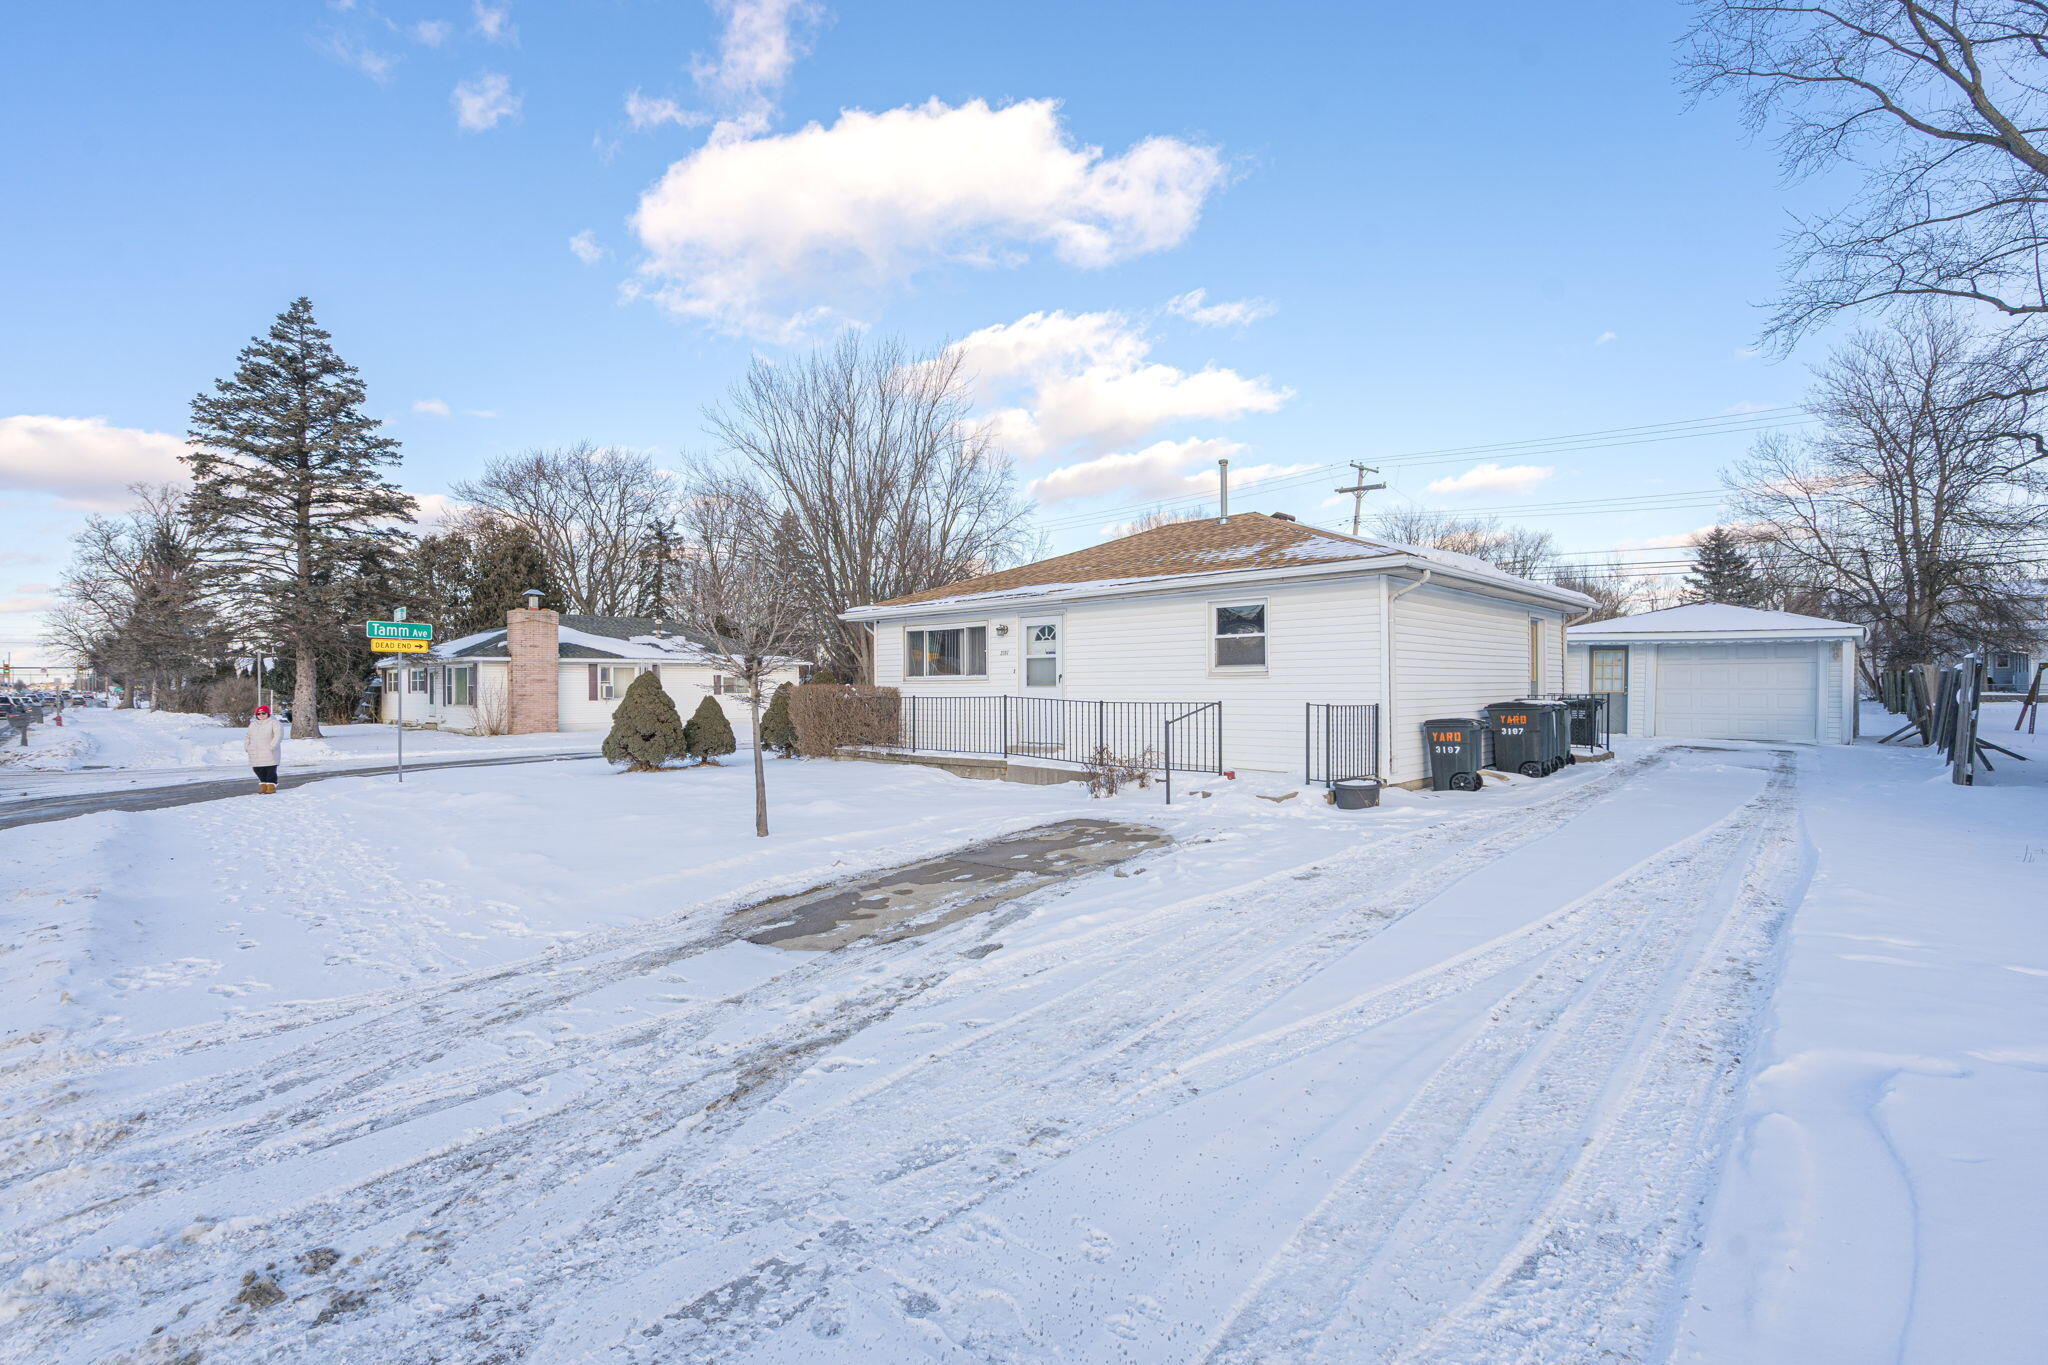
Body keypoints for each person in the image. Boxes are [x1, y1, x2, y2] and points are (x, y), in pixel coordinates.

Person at [245, 703, 283, 795]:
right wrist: (247, 746)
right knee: (258, 769)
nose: (261, 715)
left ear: (268, 713)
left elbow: (278, 735)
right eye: (259, 714)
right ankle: (263, 785)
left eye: (263, 713)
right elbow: (247, 736)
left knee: (270, 769)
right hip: (255, 751)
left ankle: (271, 786)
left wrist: (272, 746)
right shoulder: (253, 724)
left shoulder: (274, 723)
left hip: (269, 750)